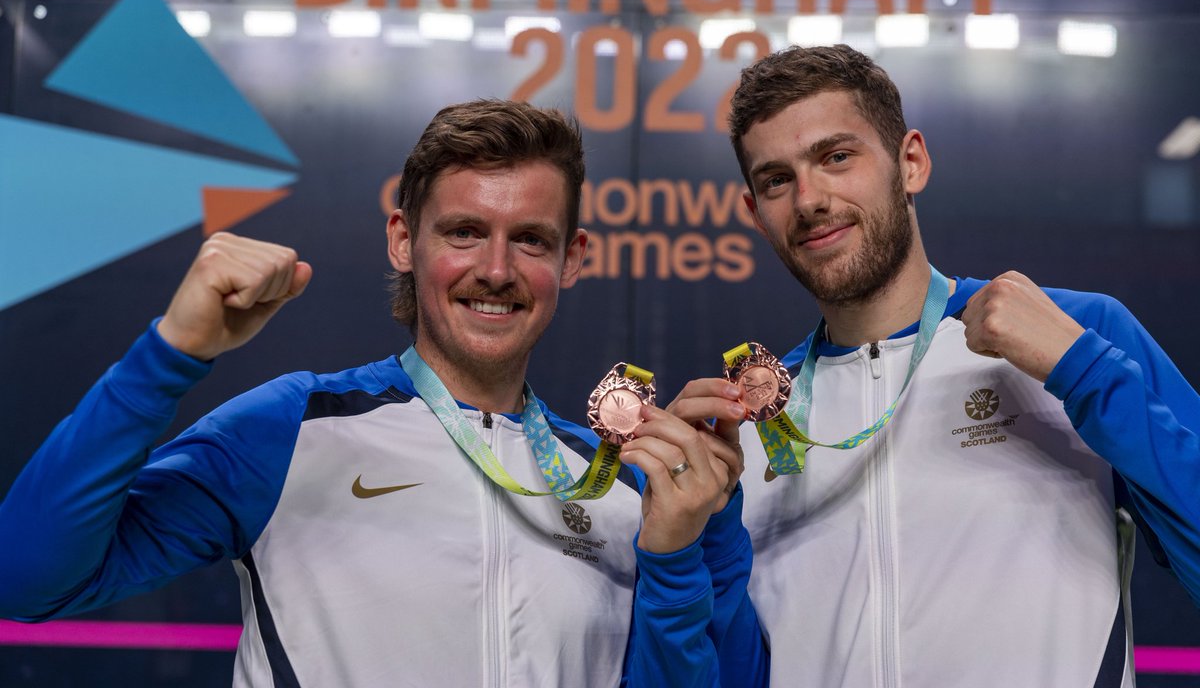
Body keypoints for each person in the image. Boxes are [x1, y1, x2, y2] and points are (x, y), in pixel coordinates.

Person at [0, 100, 763, 687]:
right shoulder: (294, 430)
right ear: (404, 240)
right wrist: (169, 355)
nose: (495, 269)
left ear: (572, 259)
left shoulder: (618, 485)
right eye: (463, 231)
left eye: (530, 239)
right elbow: (25, 578)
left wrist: (693, 540)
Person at [669, 44, 1200, 686]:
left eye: (837, 157)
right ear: (755, 214)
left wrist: (1085, 371)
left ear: (911, 162)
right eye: (776, 180)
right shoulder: (750, 423)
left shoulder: (1076, 338)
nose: (808, 199)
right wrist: (708, 530)